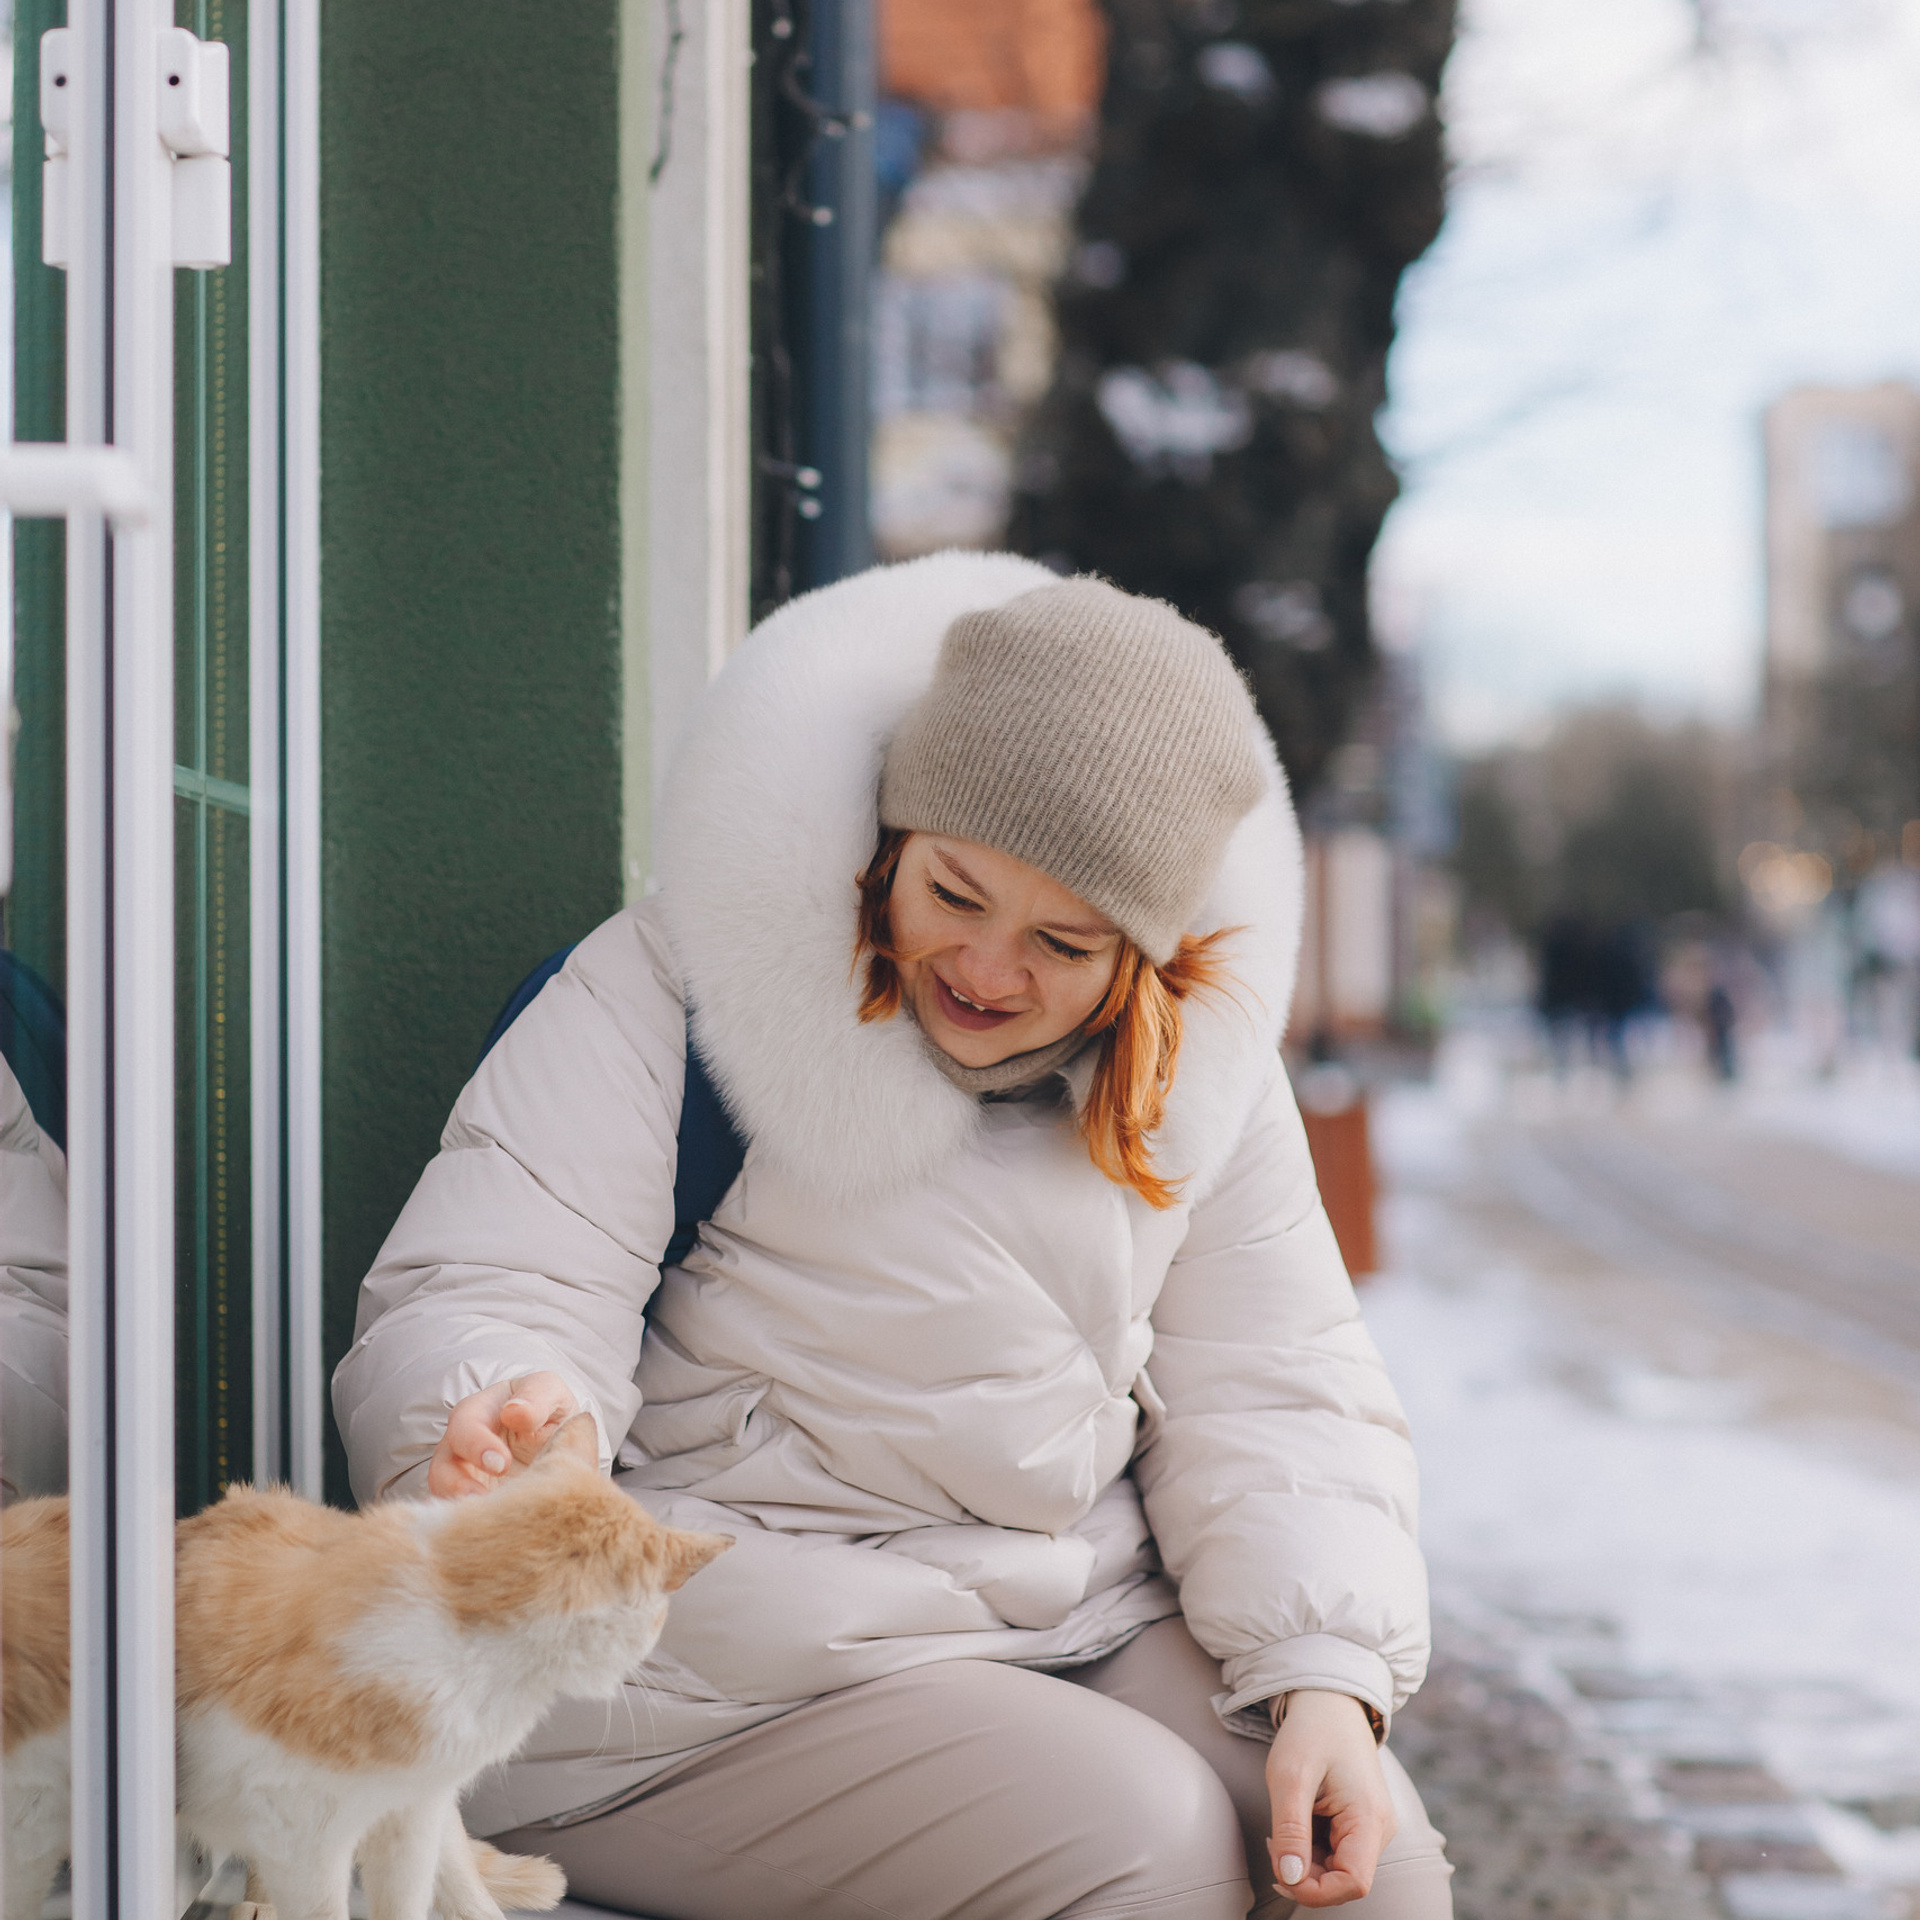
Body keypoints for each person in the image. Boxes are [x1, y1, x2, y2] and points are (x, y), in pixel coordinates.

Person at [333, 555, 1451, 1920]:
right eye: (956, 895)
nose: (987, 970)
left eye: (1064, 943)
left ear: (1143, 962)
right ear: (889, 841)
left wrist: (1324, 1673)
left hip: (1062, 1622)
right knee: (1154, 1852)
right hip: (691, 1669)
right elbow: (500, 1275)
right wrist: (504, 1424)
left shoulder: (1198, 1078)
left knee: (1373, 1872)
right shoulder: (681, 988)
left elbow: (1279, 1387)